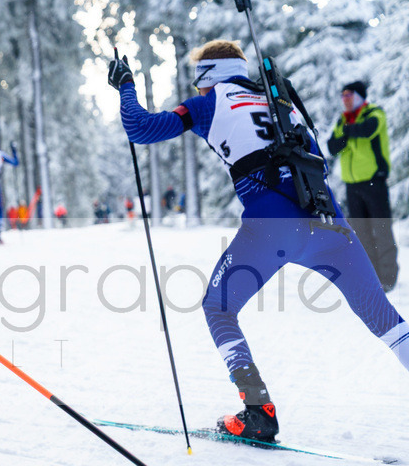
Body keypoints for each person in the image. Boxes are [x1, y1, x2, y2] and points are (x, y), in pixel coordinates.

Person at [108, 40, 408, 443]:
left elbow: (140, 128)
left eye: (198, 79)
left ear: (208, 76)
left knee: (218, 306)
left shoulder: (209, 102)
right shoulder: (283, 100)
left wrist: (126, 84)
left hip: (273, 228)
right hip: (331, 225)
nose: (196, 88)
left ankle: (258, 410)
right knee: (384, 318)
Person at [327, 81, 398, 291]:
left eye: (349, 95)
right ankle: (372, 276)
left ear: (359, 96)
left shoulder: (374, 113)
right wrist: (348, 131)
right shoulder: (343, 120)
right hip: (352, 185)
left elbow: (368, 130)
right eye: (343, 96)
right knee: (361, 232)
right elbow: (333, 146)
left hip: (374, 182)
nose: (345, 100)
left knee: (381, 229)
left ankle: (388, 277)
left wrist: (348, 132)